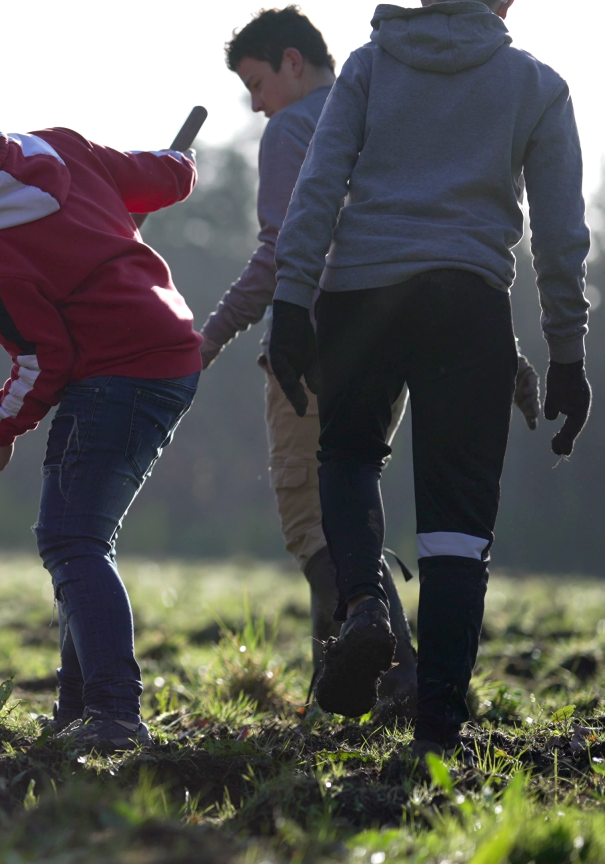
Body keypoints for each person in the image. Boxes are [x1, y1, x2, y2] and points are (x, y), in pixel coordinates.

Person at [270, 0, 590, 754]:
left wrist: (290, 299)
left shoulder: (369, 66)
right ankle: (439, 731)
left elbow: (319, 185)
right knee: (457, 523)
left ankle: (363, 609)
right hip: (467, 302)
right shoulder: (536, 85)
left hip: (361, 297)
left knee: (347, 457)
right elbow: (560, 232)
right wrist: (567, 353)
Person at [0, 78, 203, 752]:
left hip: (120, 372)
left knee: (72, 540)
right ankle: (77, 709)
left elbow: (41, 361)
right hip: (166, 356)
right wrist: (182, 168)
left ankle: (113, 714)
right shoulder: (58, 148)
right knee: (73, 537)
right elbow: (163, 180)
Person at [200, 6, 441, 709]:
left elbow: (280, 253)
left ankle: (396, 683)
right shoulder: (381, 116)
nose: (255, 103)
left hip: (313, 343)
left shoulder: (293, 129)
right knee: (345, 506)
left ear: (292, 63)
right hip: (388, 338)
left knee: (311, 518)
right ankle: (339, 687)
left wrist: (209, 336)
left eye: (256, 82)